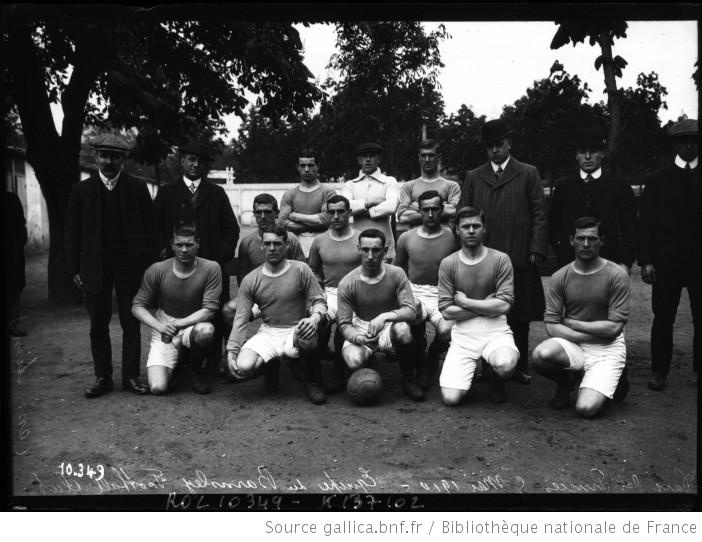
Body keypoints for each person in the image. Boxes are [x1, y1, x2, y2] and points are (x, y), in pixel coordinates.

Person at [65, 134, 156, 398]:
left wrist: (148, 268)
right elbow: (71, 233)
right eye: (104, 155)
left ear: (122, 158)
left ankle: (130, 376)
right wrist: (74, 269)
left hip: (130, 268)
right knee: (98, 325)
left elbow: (150, 232)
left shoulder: (137, 189)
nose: (108, 161)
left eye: (114, 156)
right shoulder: (81, 191)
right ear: (96, 157)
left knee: (131, 323)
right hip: (95, 267)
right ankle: (102, 377)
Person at [458, 118, 547, 385]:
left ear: (509, 143)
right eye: (489, 146)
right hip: (483, 257)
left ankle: (519, 365)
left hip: (518, 253)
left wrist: (536, 248)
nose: (495, 150)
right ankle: (487, 365)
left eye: (499, 144)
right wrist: (466, 251)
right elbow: (464, 215)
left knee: (518, 314)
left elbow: (540, 214)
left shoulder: (528, 173)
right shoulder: (474, 176)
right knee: (486, 310)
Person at [154, 140, 239, 377]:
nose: (195, 164)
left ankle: (211, 364)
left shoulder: (216, 193)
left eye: (200, 161)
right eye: (191, 159)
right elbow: (155, 228)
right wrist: (165, 254)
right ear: (182, 162)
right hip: (176, 269)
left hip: (211, 268)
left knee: (214, 313)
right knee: (178, 312)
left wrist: (217, 259)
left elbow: (231, 230)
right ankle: (180, 361)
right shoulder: (167, 192)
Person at [532, 217, 631, 417]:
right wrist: (587, 335)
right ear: (571, 240)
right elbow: (552, 326)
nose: (586, 244)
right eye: (581, 238)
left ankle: (617, 377)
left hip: (607, 347)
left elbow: (614, 329)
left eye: (592, 239)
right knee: (540, 355)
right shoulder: (560, 276)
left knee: (585, 409)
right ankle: (565, 382)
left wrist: (575, 324)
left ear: (601, 240)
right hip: (576, 342)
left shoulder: (617, 274)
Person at [226, 225, 328, 404]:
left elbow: (319, 300)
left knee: (308, 334)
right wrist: (231, 351)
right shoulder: (251, 279)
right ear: (262, 246)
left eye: (277, 243)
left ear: (287, 245)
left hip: (295, 329)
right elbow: (241, 319)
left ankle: (312, 381)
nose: (272, 248)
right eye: (268, 244)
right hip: (268, 331)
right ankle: (270, 365)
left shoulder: (301, 269)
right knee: (243, 367)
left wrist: (314, 318)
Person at [639, 118, 701, 391]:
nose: (689, 145)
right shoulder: (657, 181)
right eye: (683, 140)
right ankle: (659, 372)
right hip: (666, 263)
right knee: (663, 318)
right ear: (674, 144)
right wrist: (647, 260)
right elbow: (646, 224)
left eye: (694, 140)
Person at [438, 207, 518, 405]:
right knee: (450, 399)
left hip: (495, 332)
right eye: (466, 226)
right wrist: (487, 304)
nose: (471, 230)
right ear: (457, 229)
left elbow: (504, 307)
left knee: (505, 364)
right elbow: (447, 311)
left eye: (476, 226)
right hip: (463, 337)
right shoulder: (448, 263)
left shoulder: (500, 259)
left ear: (484, 229)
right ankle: (469, 370)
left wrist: (465, 302)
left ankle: (494, 375)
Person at [131, 224, 222, 394]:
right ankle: (177, 361)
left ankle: (195, 368)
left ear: (198, 244)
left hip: (192, 325)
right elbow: (137, 306)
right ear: (172, 245)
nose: (184, 250)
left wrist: (179, 323)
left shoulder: (211, 268)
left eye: (189, 244)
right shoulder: (157, 269)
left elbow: (210, 309)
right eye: (180, 245)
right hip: (165, 328)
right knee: (158, 388)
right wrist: (160, 326)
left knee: (206, 330)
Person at [336, 229, 422, 401]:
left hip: (388, 325)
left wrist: (385, 316)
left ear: (385, 250)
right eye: (365, 250)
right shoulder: (347, 282)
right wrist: (358, 338)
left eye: (375, 250)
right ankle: (365, 367)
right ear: (358, 249)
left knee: (403, 329)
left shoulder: (396, 273)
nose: (370, 256)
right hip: (362, 326)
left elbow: (411, 310)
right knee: (354, 360)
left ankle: (409, 378)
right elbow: (344, 324)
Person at [393, 190, 458, 389]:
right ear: (419, 211)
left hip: (442, 293)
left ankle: (433, 356)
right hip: (415, 291)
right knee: (405, 328)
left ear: (442, 210)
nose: (431, 214)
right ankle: (415, 366)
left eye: (435, 209)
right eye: (426, 210)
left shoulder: (453, 237)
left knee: (448, 331)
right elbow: (398, 270)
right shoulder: (406, 237)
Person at [549, 128, 637, 271]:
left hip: (610, 263)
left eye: (593, 151)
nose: (588, 156)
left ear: (602, 154)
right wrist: (562, 252)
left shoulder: (619, 186)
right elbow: (553, 225)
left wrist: (625, 262)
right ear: (576, 156)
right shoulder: (564, 187)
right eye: (583, 152)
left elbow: (630, 227)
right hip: (571, 263)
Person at [223, 193, 305, 326]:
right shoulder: (247, 242)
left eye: (267, 212)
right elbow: (243, 279)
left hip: (287, 295)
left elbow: (302, 274)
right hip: (258, 296)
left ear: (276, 213)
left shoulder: (290, 240)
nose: (262, 217)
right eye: (258, 212)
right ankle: (239, 344)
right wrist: (259, 295)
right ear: (254, 214)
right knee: (229, 310)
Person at [308, 194, 362, 392]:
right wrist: (318, 295)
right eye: (332, 212)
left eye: (341, 211)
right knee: (315, 322)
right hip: (329, 293)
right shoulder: (319, 241)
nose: (336, 216)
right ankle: (314, 374)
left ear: (349, 213)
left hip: (357, 295)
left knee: (343, 324)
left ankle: (339, 370)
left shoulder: (361, 238)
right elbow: (313, 271)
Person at [339, 142, 400, 261]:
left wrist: (361, 210)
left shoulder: (389, 181)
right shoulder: (350, 185)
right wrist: (369, 202)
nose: (368, 159)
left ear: (379, 159)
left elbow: (391, 207)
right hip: (358, 241)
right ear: (359, 160)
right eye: (364, 156)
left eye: (372, 156)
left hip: (384, 242)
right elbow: (345, 207)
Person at [278, 149, 337, 258]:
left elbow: (326, 220)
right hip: (296, 247)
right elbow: (282, 222)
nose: (306, 169)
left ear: (317, 166)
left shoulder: (327, 192)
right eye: (303, 165)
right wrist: (314, 226)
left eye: (310, 165)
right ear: (297, 167)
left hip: (323, 246)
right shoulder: (290, 194)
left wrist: (295, 216)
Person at [396, 139, 461, 228]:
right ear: (419, 157)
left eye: (431, 155)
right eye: (423, 155)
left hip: (443, 238)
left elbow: (454, 211)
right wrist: (440, 208)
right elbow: (403, 217)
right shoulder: (408, 186)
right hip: (415, 239)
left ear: (439, 157)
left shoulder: (451, 186)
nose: (427, 159)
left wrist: (416, 207)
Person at [4, 190, 28, 337]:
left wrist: (19, 241)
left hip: (12, 251)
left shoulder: (11, 199)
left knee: (13, 288)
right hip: (13, 249)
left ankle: (12, 323)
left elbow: (20, 223)